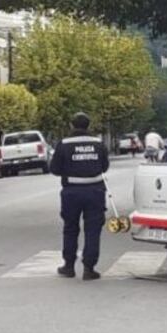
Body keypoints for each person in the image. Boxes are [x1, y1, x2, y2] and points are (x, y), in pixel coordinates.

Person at [49, 112, 110, 281]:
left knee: (70, 228)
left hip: (71, 193)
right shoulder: (98, 143)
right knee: (93, 230)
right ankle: (89, 268)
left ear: (71, 125)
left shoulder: (63, 144)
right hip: (95, 192)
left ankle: (68, 266)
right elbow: (105, 167)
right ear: (88, 126)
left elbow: (54, 169)